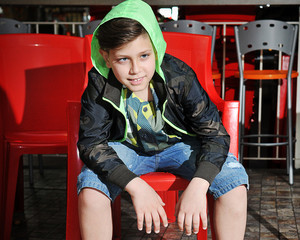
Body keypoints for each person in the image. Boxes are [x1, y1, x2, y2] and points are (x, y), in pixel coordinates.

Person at [77, 0, 249, 239]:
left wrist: (199, 185)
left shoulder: (179, 76)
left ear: (156, 48)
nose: (136, 69)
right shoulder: (99, 81)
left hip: (181, 146)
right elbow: (91, 143)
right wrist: (135, 186)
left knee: (234, 184)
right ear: (106, 57)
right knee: (91, 189)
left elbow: (215, 134)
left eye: (144, 55)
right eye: (123, 59)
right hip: (126, 149)